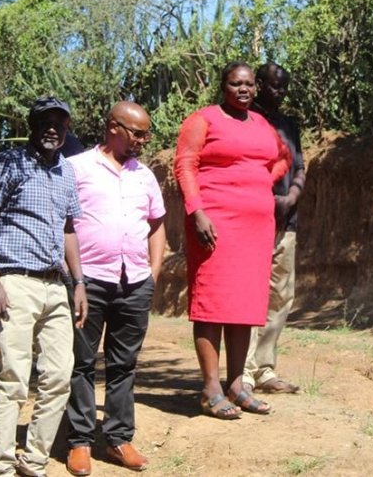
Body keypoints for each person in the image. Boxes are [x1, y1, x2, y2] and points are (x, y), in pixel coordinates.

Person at [173, 61, 291, 420]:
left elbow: (282, 158)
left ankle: (238, 385)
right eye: (236, 84)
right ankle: (210, 390)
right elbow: (185, 165)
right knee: (212, 304)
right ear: (223, 86)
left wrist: (256, 183)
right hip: (215, 224)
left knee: (244, 308)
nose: (244, 90)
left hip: (255, 228)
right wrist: (198, 211)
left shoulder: (262, 124)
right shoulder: (203, 119)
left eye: (250, 84)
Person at [0, 97, 88, 477]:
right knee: (14, 379)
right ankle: (1, 466)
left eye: (60, 123)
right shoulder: (8, 162)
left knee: (59, 377)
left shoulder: (67, 172)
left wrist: (78, 283)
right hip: (15, 281)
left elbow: (69, 229)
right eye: (45, 121)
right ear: (31, 124)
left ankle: (35, 461)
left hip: (56, 286)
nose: (53, 129)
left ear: (68, 129)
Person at [64, 101, 166, 475]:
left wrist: (152, 273)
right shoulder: (76, 169)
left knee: (124, 365)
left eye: (145, 134)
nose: (143, 140)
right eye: (137, 133)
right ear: (113, 127)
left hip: (134, 282)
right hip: (87, 282)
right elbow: (64, 224)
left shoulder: (145, 176)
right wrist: (72, 277)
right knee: (82, 362)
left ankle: (119, 439)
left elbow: (156, 225)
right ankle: (79, 442)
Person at [243, 63, 306, 395]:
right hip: (251, 222)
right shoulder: (243, 121)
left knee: (281, 294)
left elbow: (299, 166)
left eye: (284, 87)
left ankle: (265, 369)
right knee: (251, 293)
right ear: (258, 85)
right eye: (272, 86)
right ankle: (244, 372)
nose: (278, 93)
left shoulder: (288, 125)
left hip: (286, 221)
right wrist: (265, 200)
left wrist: (292, 195)